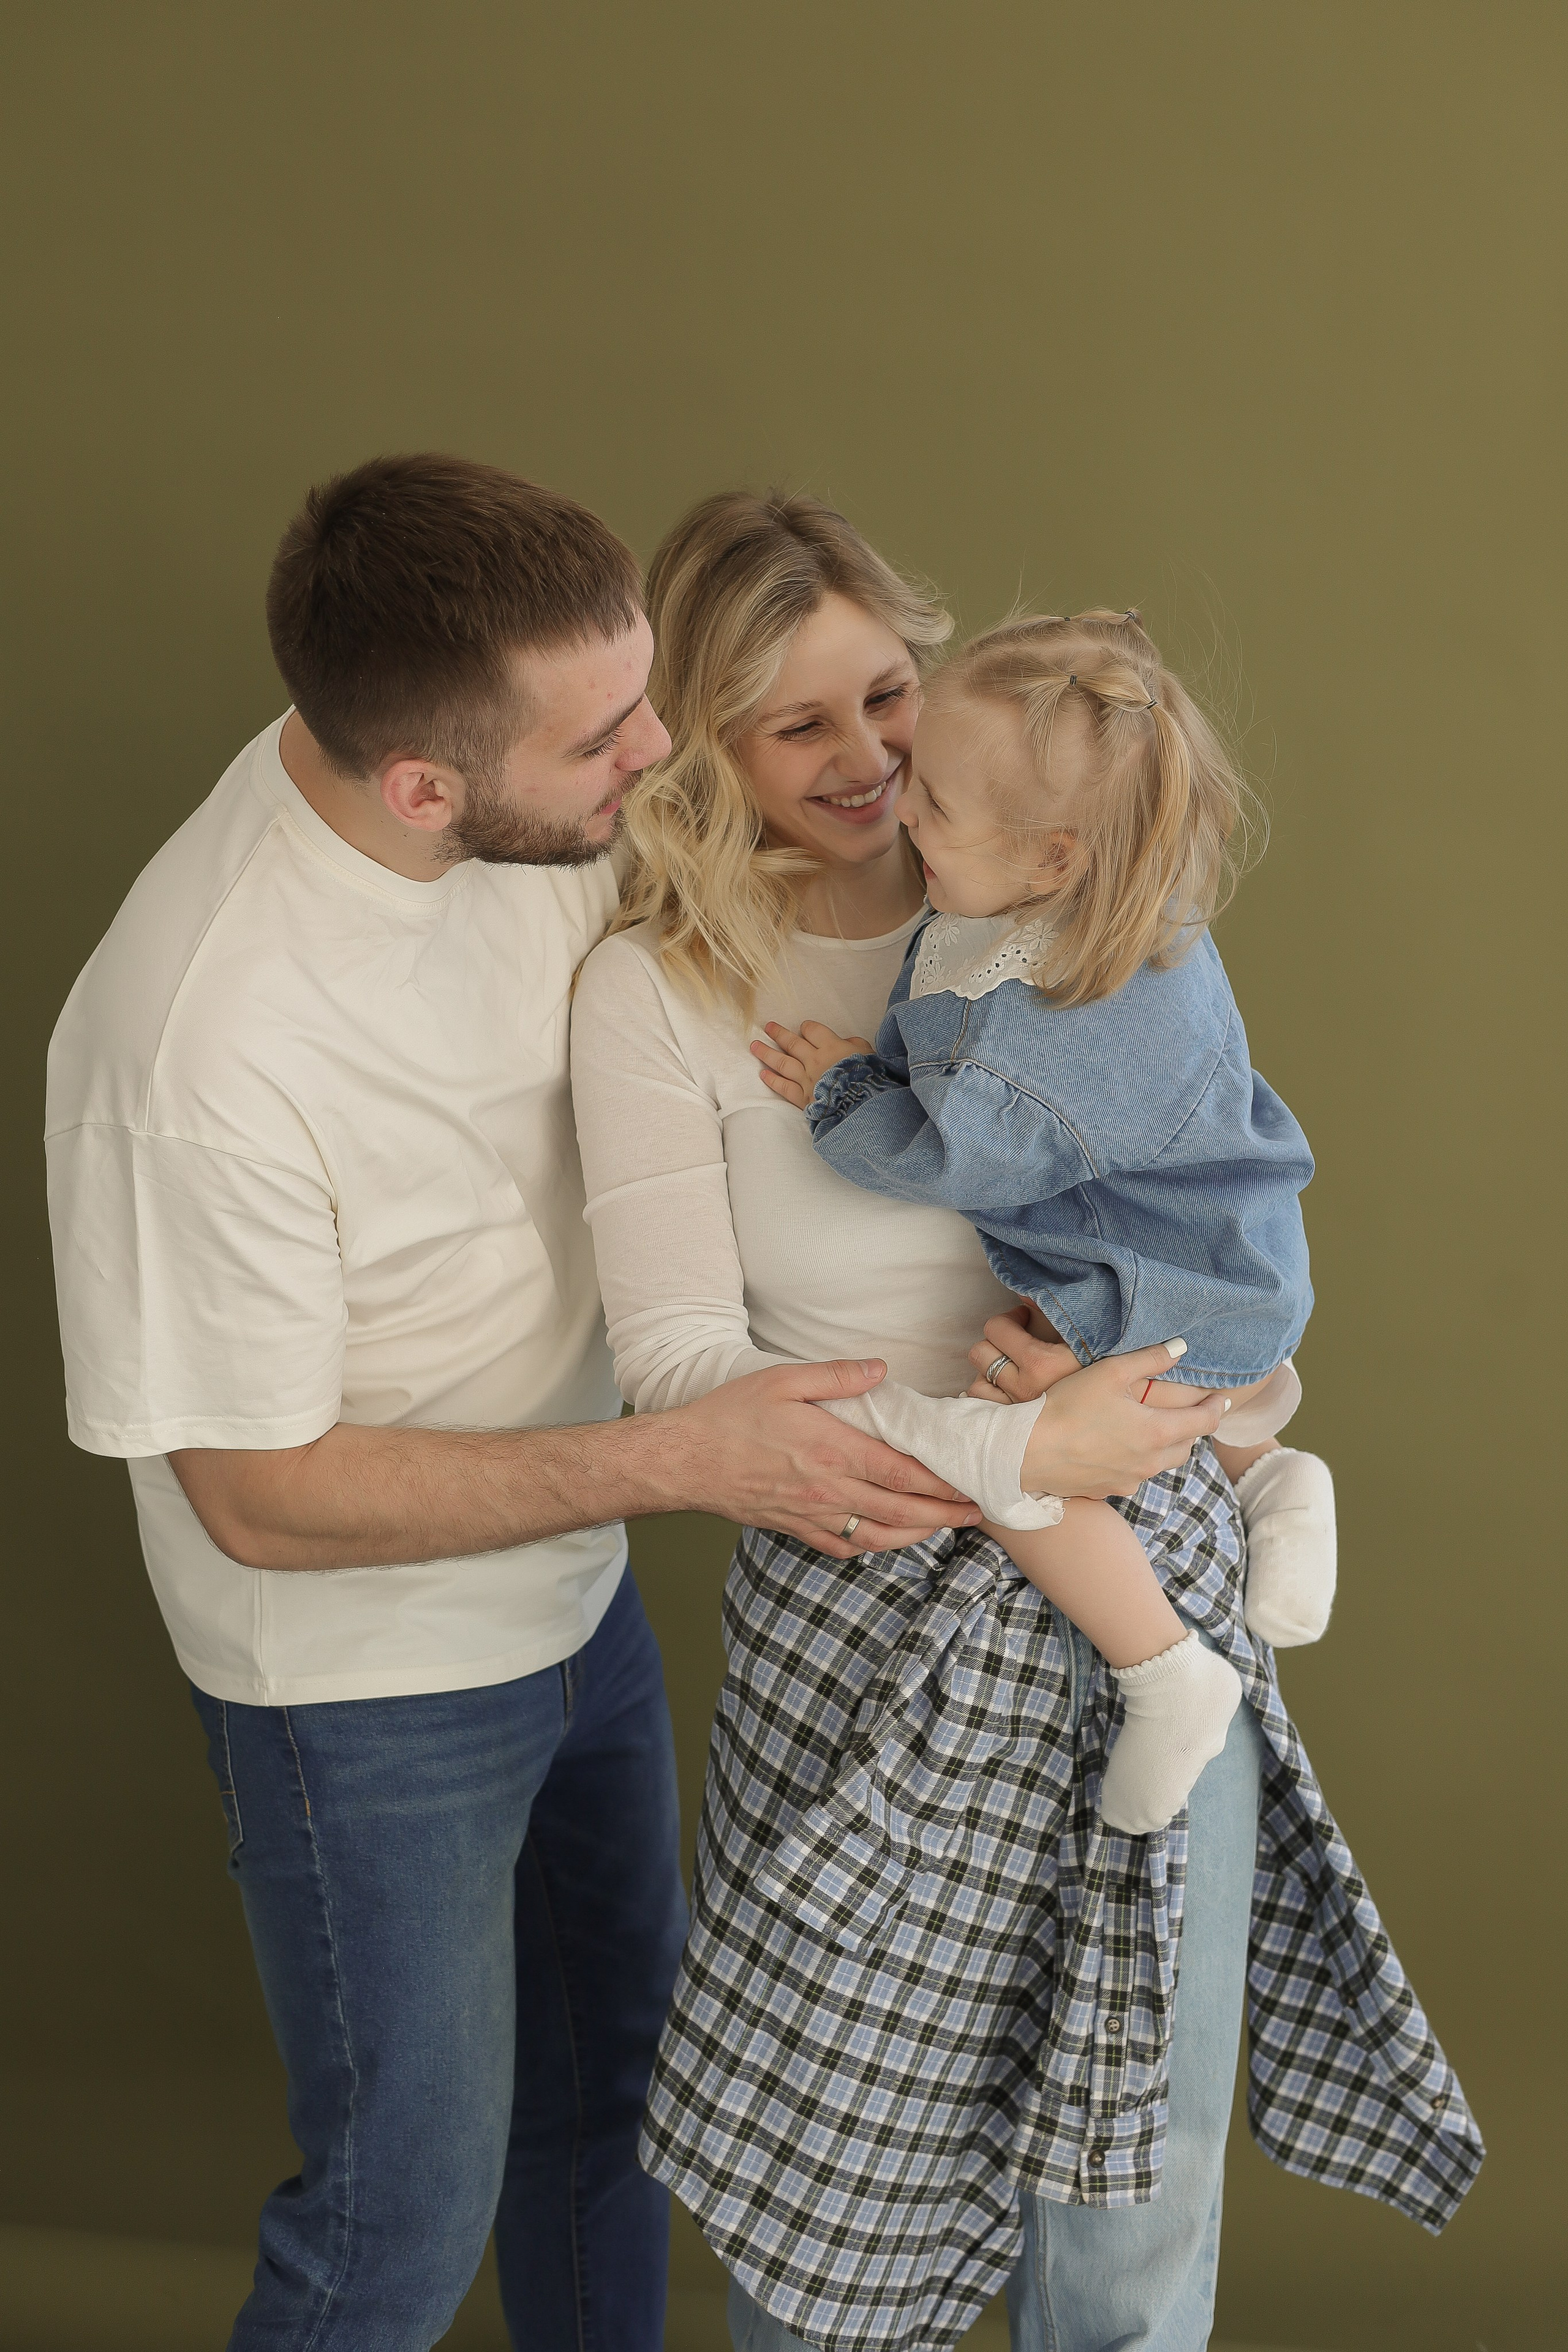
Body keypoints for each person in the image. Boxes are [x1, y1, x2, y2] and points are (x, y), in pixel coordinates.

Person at [43, 454, 1219, 2352]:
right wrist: (689, 1455)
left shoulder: (532, 808)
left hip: (573, 1608)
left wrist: (1218, 1342)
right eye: (613, 737)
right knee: (394, 2222)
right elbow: (257, 1497)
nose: (656, 752)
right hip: (362, 1683)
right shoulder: (196, 1044)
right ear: (432, 787)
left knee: (609, 2127)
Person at [570, 489, 1482, 2352]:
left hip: (1147, 1587)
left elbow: (1200, 1218)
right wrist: (1019, 1456)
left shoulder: (1059, 912)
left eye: (888, 697)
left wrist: (1216, 1408)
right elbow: (676, 1371)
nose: (871, 760)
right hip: (864, 1602)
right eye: (795, 721)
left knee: (1128, 2212)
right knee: (830, 2219)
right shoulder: (655, 989)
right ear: (698, 742)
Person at [750, 609, 1340, 1834]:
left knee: (1010, 1431)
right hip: (1224, 1253)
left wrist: (842, 1085)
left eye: (937, 812)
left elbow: (938, 1158)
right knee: (1076, 1391)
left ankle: (1159, 1669)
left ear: (1052, 858)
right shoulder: (1116, 896)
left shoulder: (1039, 1043)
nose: (901, 807)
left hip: (1168, 1279)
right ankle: (1272, 1473)